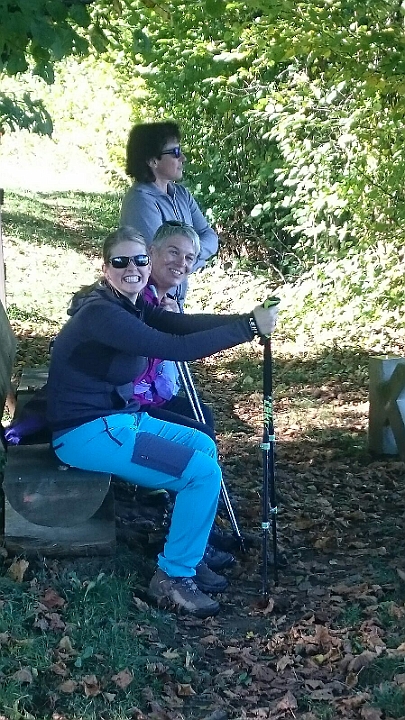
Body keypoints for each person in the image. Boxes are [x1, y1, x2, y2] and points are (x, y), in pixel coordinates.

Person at [46, 226, 279, 618]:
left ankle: (188, 550)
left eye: (139, 260)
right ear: (105, 268)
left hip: (117, 420)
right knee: (201, 473)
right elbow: (176, 348)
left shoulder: (130, 303)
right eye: (120, 261)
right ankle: (173, 577)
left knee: (202, 444)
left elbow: (180, 326)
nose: (132, 268)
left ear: (147, 261)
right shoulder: (103, 313)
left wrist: (247, 319)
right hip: (87, 432)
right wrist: (249, 329)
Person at [120, 121, 218, 304]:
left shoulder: (181, 194)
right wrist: (192, 259)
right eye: (175, 152)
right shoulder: (140, 201)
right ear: (153, 161)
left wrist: (186, 258)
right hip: (152, 303)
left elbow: (210, 236)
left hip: (174, 301)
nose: (183, 158)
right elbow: (159, 263)